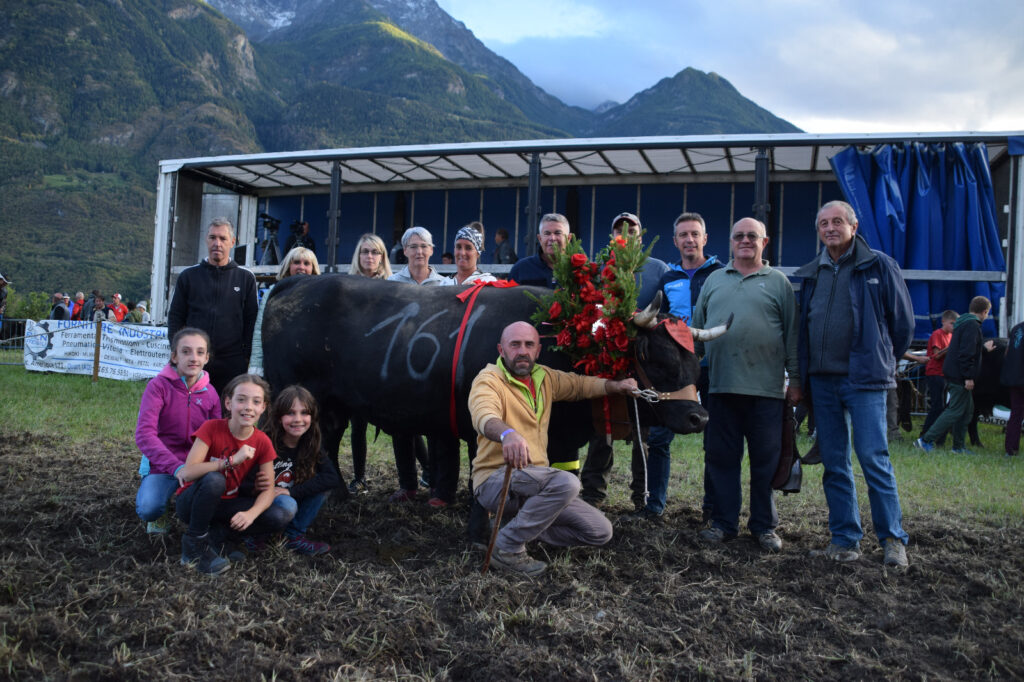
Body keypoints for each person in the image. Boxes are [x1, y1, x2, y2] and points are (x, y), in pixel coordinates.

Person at [468, 321, 639, 575]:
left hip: (537, 484)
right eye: (514, 345)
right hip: (497, 480)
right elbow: (483, 414)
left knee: (599, 531)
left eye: (529, 345)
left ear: (538, 350)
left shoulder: (545, 378)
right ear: (501, 350)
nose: (522, 351)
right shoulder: (489, 380)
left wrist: (617, 386)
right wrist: (507, 433)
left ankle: (510, 529)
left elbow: (580, 385)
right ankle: (507, 547)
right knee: (568, 483)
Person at [797, 200, 914, 568]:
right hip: (823, 383)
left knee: (873, 458)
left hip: (864, 381)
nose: (830, 228)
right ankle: (845, 539)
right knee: (834, 462)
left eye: (836, 222)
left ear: (853, 226)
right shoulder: (813, 272)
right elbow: (805, 326)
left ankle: (893, 540)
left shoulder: (879, 265)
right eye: (823, 224)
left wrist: (880, 359)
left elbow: (903, 325)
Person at [693, 218, 800, 552]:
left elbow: (793, 336)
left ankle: (764, 526)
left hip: (766, 391)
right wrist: (685, 377)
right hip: (721, 388)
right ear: (730, 242)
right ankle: (724, 523)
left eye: (752, 236)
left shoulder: (779, 283)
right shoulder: (713, 281)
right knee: (721, 458)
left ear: (764, 243)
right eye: (738, 236)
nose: (745, 241)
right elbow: (695, 334)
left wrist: (795, 379)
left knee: (765, 460)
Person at [580, 212, 668, 515]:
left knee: (642, 429)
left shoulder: (658, 270)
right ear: (612, 237)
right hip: (606, 358)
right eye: (620, 230)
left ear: (641, 237)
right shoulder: (601, 270)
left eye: (632, 231)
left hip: (644, 364)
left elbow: (666, 317)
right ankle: (593, 492)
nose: (626, 235)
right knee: (601, 428)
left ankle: (642, 495)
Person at [175, 374, 292, 575]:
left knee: (280, 514)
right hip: (192, 503)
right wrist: (230, 462)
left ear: (263, 407)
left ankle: (218, 537)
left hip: (227, 505)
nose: (248, 407)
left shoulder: (262, 441)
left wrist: (250, 514)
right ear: (228, 403)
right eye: (241, 399)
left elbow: (269, 489)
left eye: (256, 402)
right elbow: (187, 473)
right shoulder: (211, 428)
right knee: (214, 480)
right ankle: (194, 545)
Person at [135, 328, 221, 533]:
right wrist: (175, 467)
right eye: (186, 351)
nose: (194, 358)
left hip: (196, 465)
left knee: (215, 492)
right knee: (149, 508)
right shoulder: (157, 387)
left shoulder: (211, 393)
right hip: (162, 466)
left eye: (200, 352)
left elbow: (218, 436)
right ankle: (160, 512)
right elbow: (144, 435)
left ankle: (188, 507)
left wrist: (203, 466)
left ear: (207, 357)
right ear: (174, 356)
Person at [387, 226, 446, 504]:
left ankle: (435, 484)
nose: (419, 251)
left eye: (424, 246)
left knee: (435, 428)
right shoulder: (391, 284)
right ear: (405, 251)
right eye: (413, 246)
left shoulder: (446, 286)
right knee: (401, 426)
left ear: (432, 250)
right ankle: (408, 485)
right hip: (400, 366)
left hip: (435, 367)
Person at [167, 217, 258, 395]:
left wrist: (246, 357)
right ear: (206, 240)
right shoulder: (188, 276)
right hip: (195, 361)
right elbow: (175, 317)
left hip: (232, 363)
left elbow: (251, 321)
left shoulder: (246, 278)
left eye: (223, 238)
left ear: (232, 242)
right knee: (191, 412)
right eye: (213, 237)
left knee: (228, 416)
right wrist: (178, 351)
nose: (217, 243)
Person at [257, 385, 340, 555]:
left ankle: (293, 536)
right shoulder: (266, 440)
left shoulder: (312, 443)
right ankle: (257, 536)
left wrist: (290, 492)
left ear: (312, 416)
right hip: (262, 502)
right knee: (288, 504)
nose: (298, 419)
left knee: (320, 487)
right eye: (290, 413)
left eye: (304, 413)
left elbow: (332, 478)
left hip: (290, 498)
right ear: (279, 417)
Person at [347, 234, 393, 493]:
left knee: (402, 424)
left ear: (382, 257)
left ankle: (426, 471)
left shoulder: (392, 285)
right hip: (356, 363)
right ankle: (359, 475)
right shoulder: (348, 286)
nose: (370, 257)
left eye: (375, 252)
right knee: (358, 423)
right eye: (365, 252)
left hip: (386, 363)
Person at [916, 296, 992, 454]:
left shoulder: (962, 323)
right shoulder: (972, 325)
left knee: (967, 410)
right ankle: (925, 440)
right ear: (985, 312)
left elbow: (962, 349)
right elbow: (966, 353)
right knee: (955, 410)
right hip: (960, 375)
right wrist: (969, 377)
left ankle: (958, 446)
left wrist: (983, 349)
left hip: (953, 372)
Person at [248, 247, 320, 376]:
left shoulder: (320, 295)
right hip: (279, 365)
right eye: (296, 262)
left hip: (310, 366)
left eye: (306, 263)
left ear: (313, 269)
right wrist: (256, 368)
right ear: (288, 266)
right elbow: (259, 331)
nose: (301, 267)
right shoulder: (273, 293)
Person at [919, 310, 958, 440]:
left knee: (941, 407)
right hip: (935, 373)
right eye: (952, 323)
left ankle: (937, 436)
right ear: (943, 321)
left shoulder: (950, 336)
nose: (954, 326)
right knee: (937, 407)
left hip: (944, 374)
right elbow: (937, 355)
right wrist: (952, 347)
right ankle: (925, 434)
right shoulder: (937, 334)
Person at [508, 213, 571, 288]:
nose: (552, 238)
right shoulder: (520, 269)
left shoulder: (579, 270)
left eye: (558, 233)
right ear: (540, 239)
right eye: (547, 233)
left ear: (568, 238)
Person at [1002, 319, 1024, 458]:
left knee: (1016, 414)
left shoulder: (1016, 328)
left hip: (1013, 378)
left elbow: (1007, 353)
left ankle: (1010, 449)